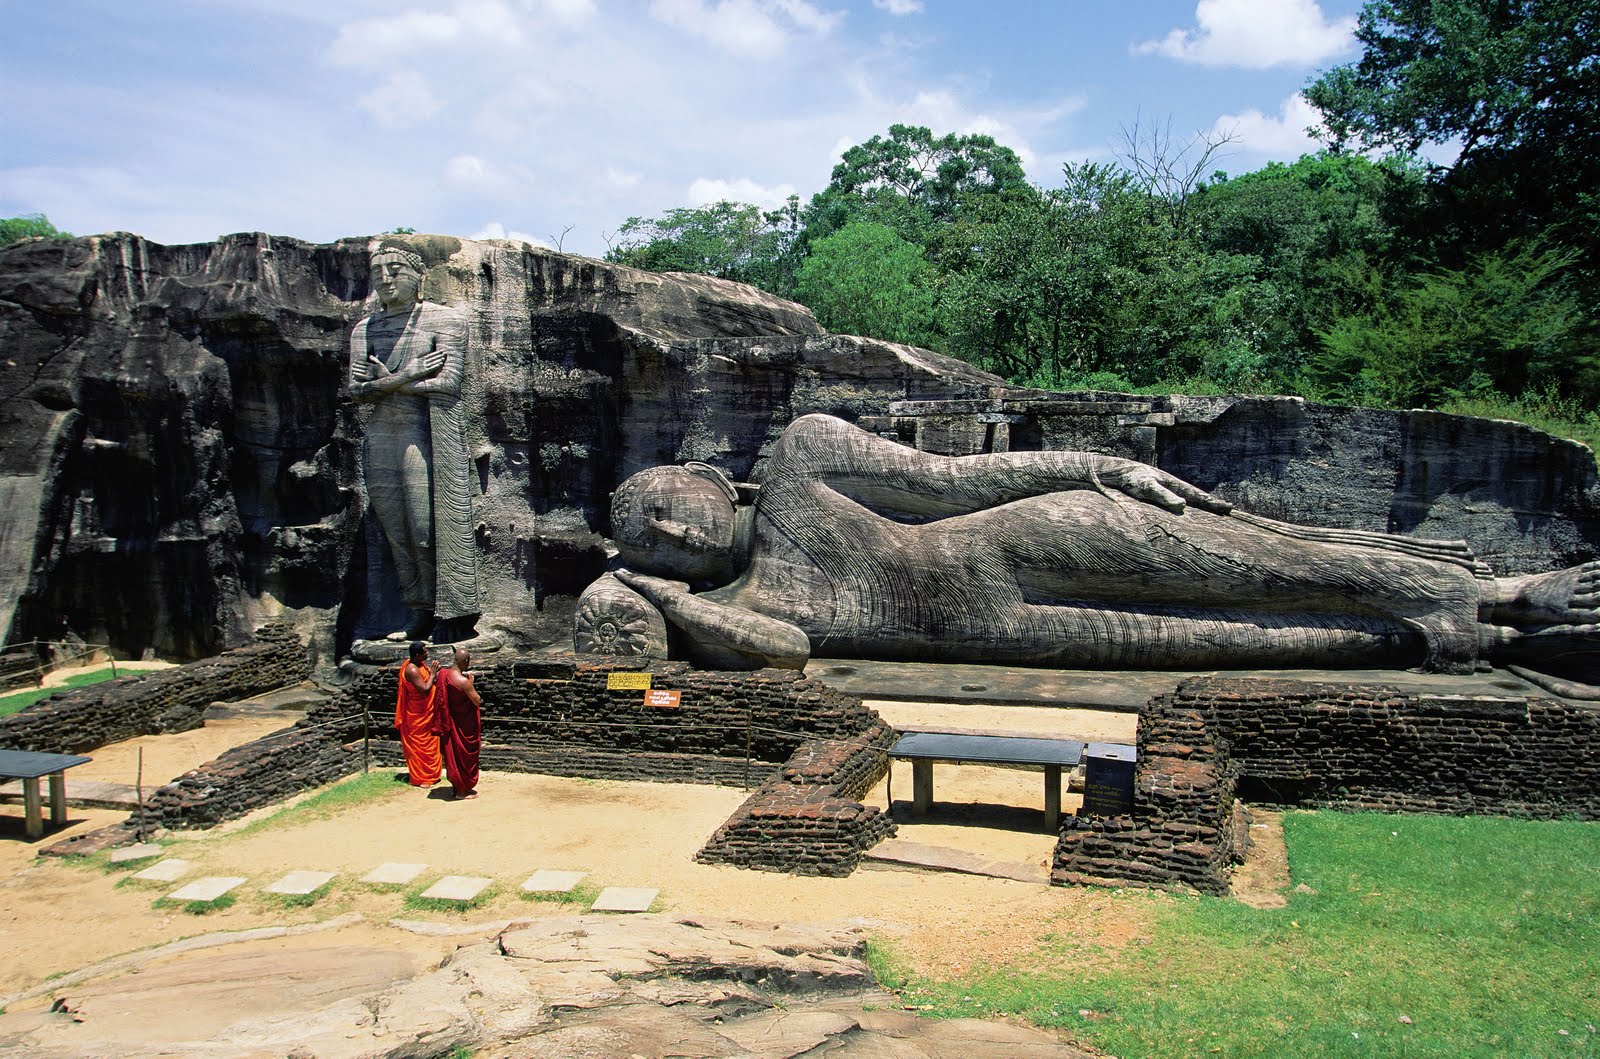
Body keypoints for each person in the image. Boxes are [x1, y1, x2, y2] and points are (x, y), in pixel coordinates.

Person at [600, 413, 1598, 678]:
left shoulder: (802, 458)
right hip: (1005, 632)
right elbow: (790, 657)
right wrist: (661, 598)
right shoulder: (744, 608)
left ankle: (1510, 593)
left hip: (1023, 542)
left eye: (662, 503)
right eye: (655, 535)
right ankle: (1488, 641)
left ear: (708, 481)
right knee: (1264, 639)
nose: (675, 526)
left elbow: (953, 482)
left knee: (1269, 567)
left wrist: (1093, 468)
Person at [349, 240, 481, 642]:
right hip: (381, 436)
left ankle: (450, 611)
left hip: (422, 436)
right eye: (378, 273)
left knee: (425, 527)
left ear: (417, 276)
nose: (386, 280)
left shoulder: (446, 321)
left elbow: (447, 383)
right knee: (397, 531)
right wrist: (408, 375)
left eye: (395, 271)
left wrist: (382, 382)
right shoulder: (365, 328)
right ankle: (418, 611)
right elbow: (356, 391)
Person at [436, 646, 483, 799]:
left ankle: (457, 788)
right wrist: (471, 683)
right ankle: (461, 791)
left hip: (451, 722)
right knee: (463, 756)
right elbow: (477, 701)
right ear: (466, 661)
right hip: (463, 726)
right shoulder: (464, 682)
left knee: (453, 757)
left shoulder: (443, 675)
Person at [394, 640, 441, 786]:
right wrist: (433, 673)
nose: (427, 653)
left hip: (427, 712)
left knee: (431, 743)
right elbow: (425, 689)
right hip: (417, 715)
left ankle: (431, 775)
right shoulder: (412, 670)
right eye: (425, 652)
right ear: (417, 654)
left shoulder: (420, 665)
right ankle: (422, 778)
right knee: (420, 748)